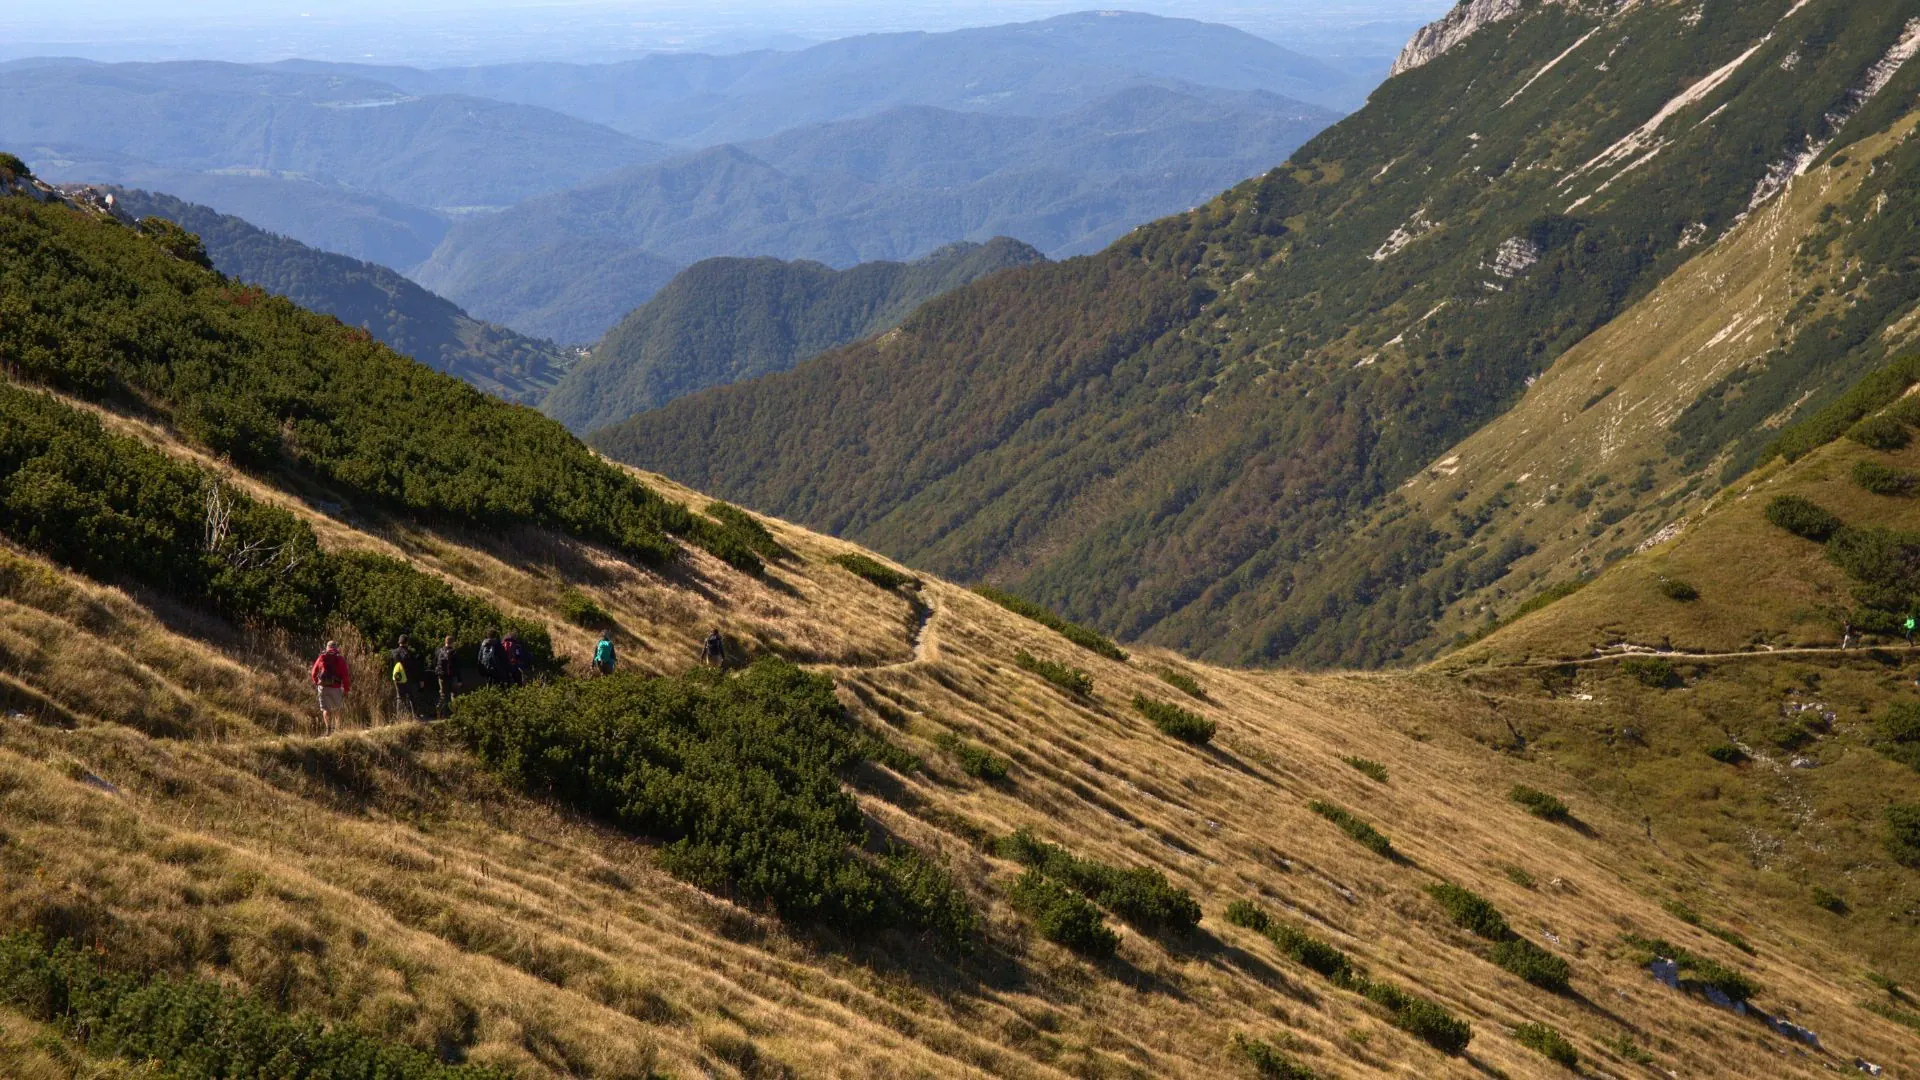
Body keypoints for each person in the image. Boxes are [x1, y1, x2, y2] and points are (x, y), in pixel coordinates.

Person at [309, 640, 350, 734]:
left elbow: (313, 672)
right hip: (336, 687)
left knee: (325, 709)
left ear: (327, 647)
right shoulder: (340, 659)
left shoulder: (322, 657)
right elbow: (345, 676)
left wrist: (317, 682)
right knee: (337, 709)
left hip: (323, 687)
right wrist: (346, 689)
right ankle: (337, 729)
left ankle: (328, 730)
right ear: (336, 648)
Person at [432, 634, 459, 717]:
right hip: (452, 676)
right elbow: (457, 667)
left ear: (445, 642)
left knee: (443, 695)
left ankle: (440, 711)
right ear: (452, 643)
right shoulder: (454, 652)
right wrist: (460, 679)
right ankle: (455, 714)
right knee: (453, 695)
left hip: (441, 677)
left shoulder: (438, 651)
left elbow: (434, 663)